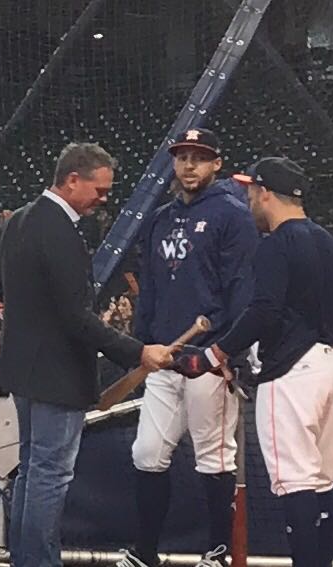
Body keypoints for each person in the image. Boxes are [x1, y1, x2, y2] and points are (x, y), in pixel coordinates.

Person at [0, 142, 174, 567]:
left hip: (22, 370)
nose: (103, 200)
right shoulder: (60, 230)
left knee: (33, 469)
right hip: (57, 375)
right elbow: (77, 318)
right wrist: (139, 351)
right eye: (100, 190)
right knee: (49, 474)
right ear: (73, 179)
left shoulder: (17, 221)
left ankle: (26, 559)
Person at [173, 157, 333, 567]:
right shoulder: (331, 243)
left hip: (291, 374)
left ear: (265, 192)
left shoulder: (275, 243)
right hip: (332, 367)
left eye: (251, 190)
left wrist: (215, 353)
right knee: (321, 484)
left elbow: (264, 310)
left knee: (297, 485)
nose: (249, 197)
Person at [118, 128, 259, 567]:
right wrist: (141, 347)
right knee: (147, 453)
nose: (189, 165)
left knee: (214, 457)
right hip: (164, 356)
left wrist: (227, 351)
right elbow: (152, 289)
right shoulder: (160, 218)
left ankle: (217, 553)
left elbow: (242, 289)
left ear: (216, 163)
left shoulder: (232, 215)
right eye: (182, 157)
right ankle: (146, 553)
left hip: (209, 359)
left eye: (199, 157)